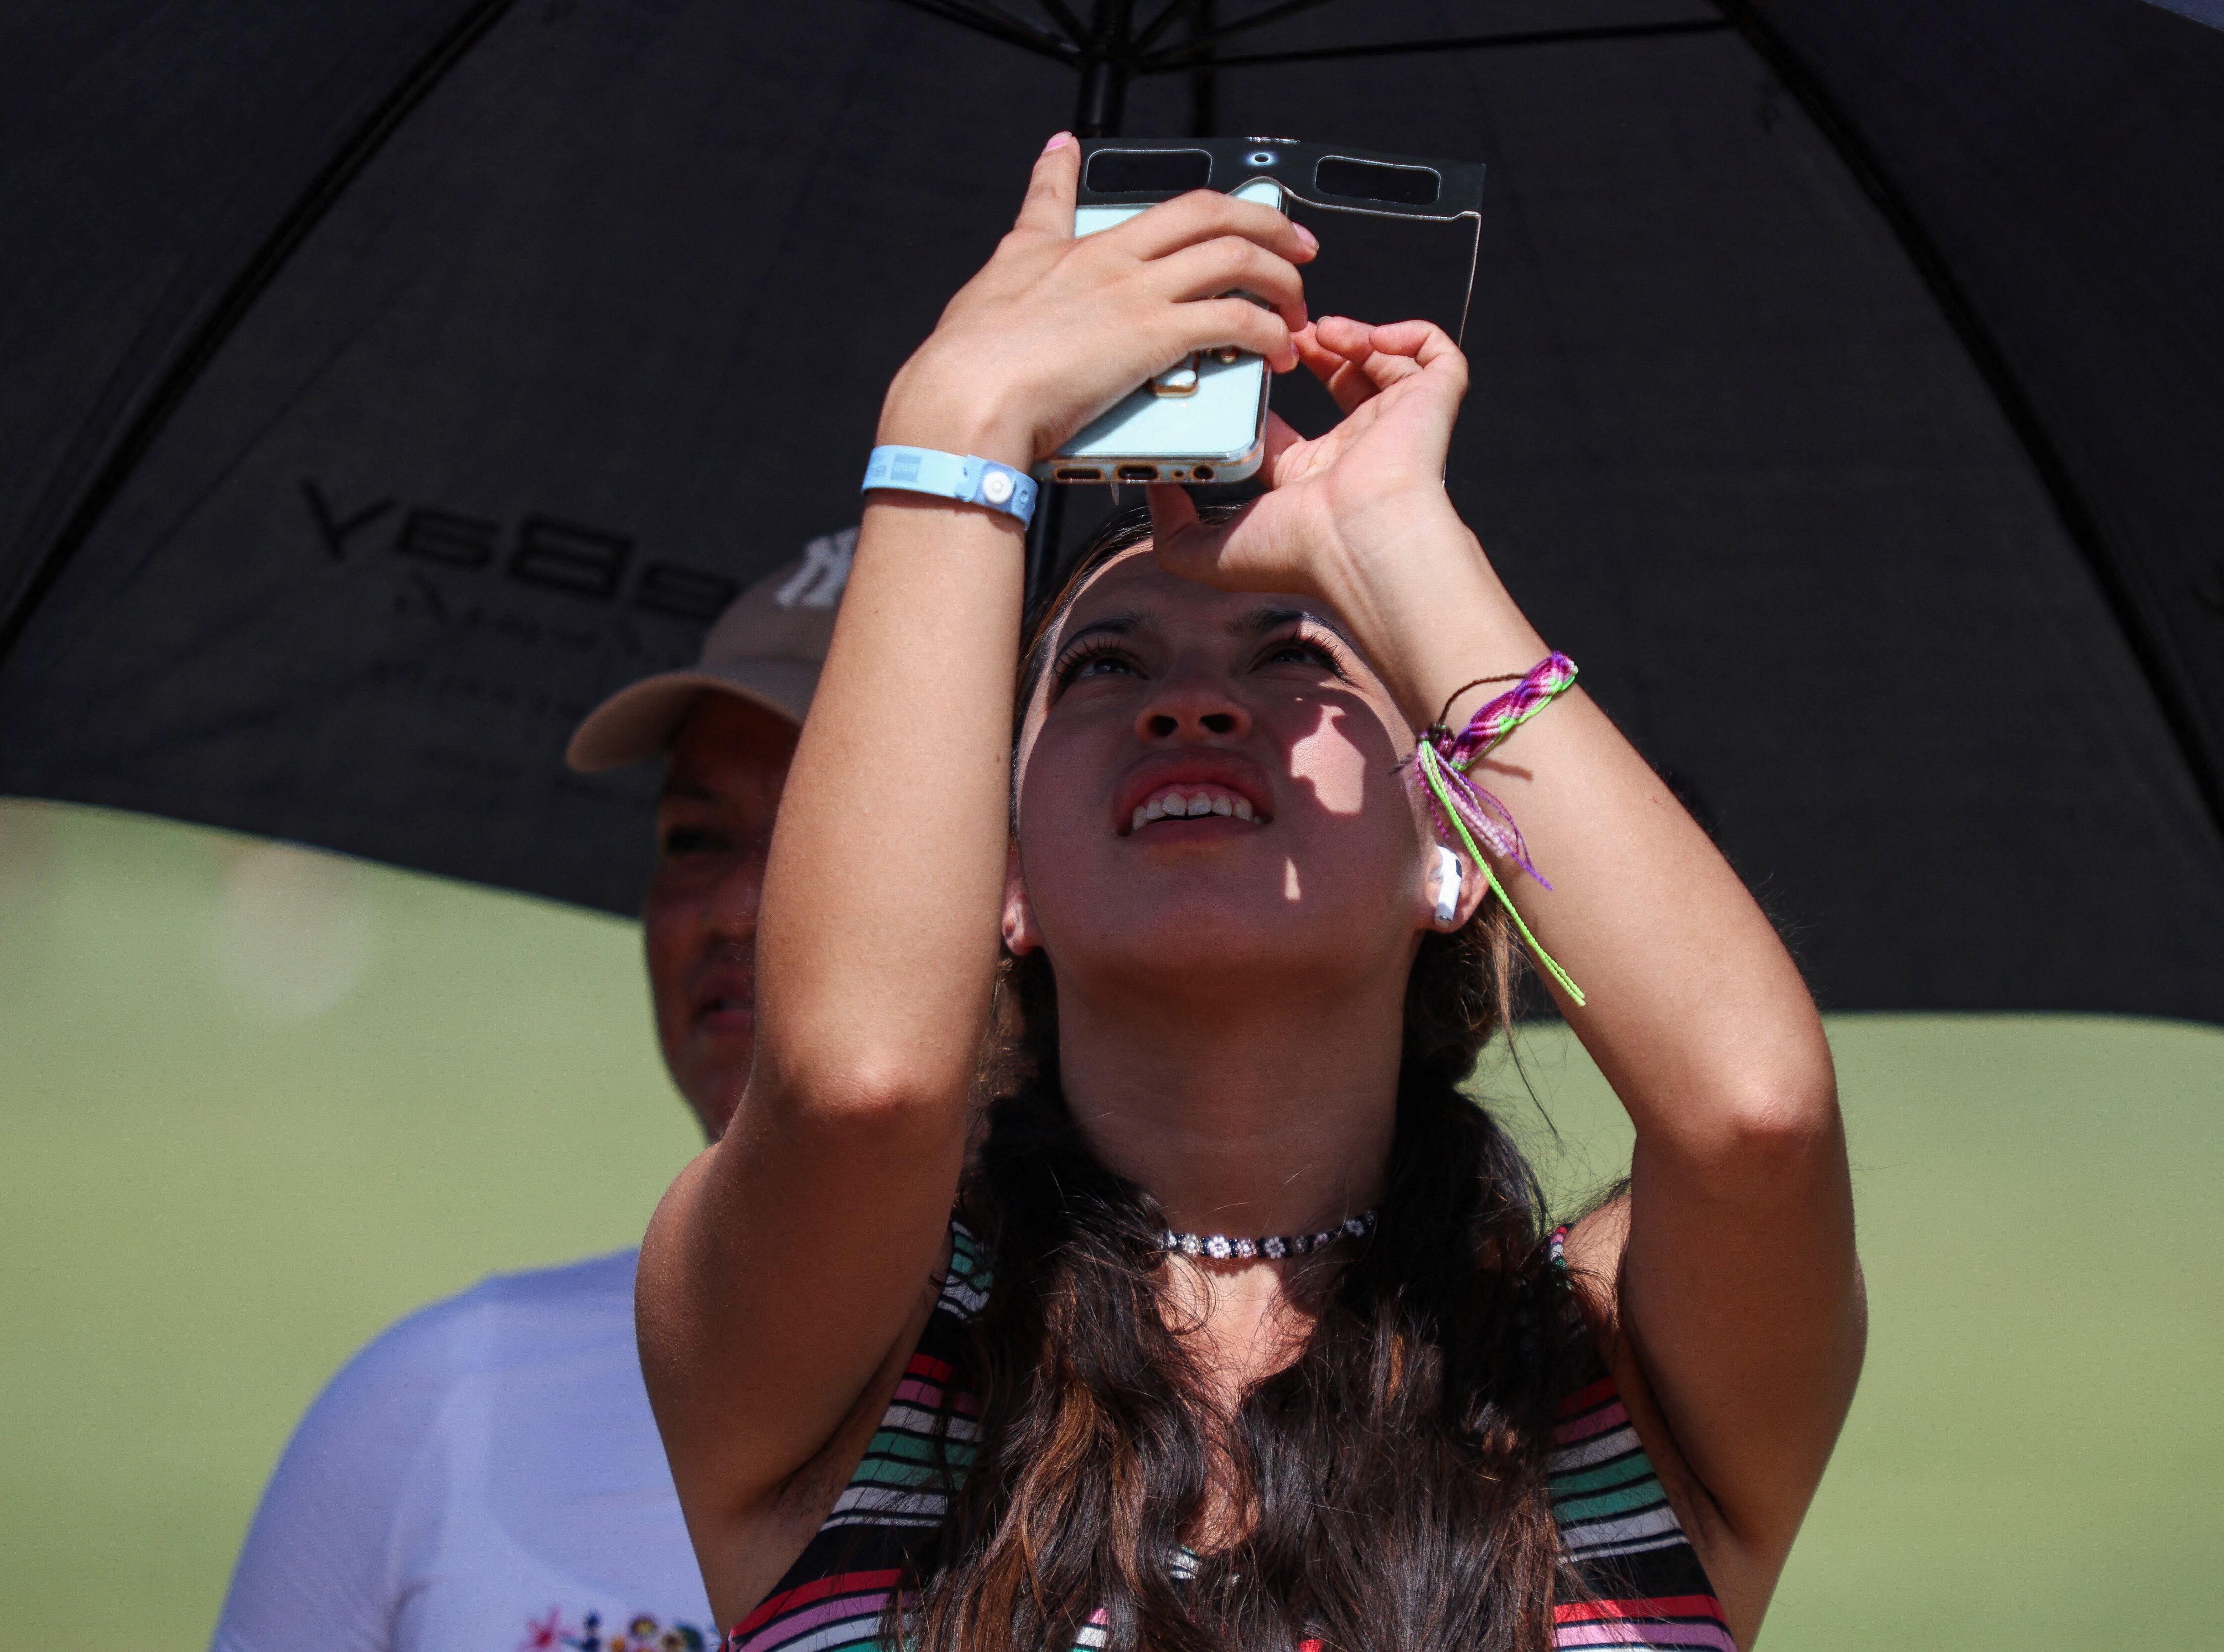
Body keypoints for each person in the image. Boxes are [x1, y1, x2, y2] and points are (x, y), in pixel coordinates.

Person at [639, 133, 1864, 1652]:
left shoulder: (1606, 1361)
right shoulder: (853, 1354)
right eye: (1103, 666)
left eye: (1292, 658)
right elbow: (862, 1082)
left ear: (1451, 849)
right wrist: (960, 420)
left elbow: (1756, 1110)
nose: (1188, 709)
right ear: (1000, 877)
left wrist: (1394, 540)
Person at [210, 534, 855, 1652]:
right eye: (694, 837)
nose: (735, 909)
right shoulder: (435, 1408)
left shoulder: (1180, 1445)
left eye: (829, 830)